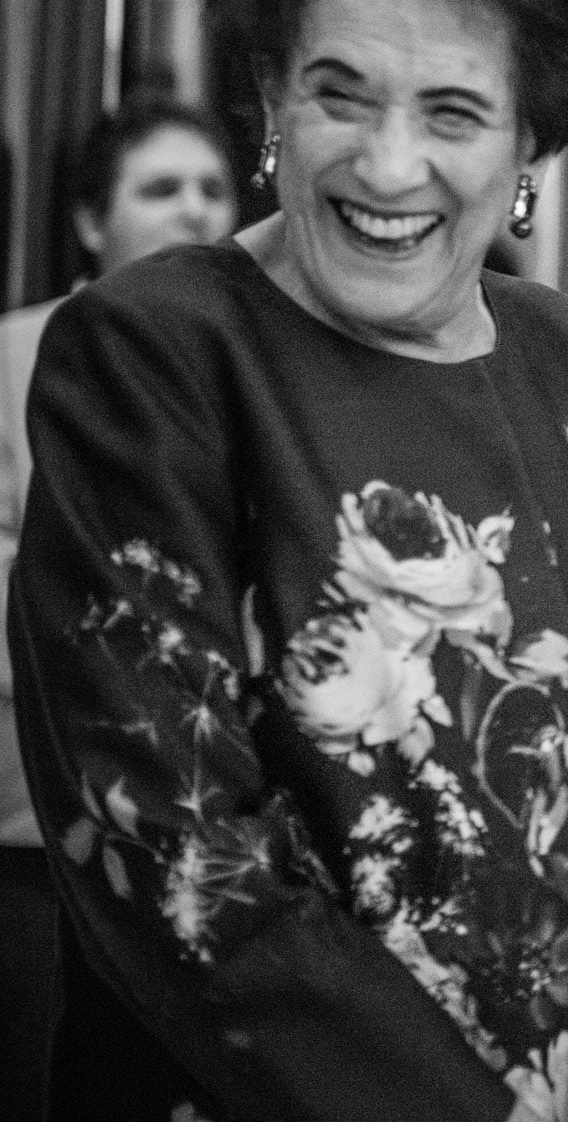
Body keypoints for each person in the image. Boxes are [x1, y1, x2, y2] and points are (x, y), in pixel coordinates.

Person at [4, 0, 568, 1122]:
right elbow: (184, 862)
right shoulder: (151, 355)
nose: (389, 161)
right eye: (340, 92)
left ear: (531, 146)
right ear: (270, 105)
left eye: (454, 110)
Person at [0, 96, 238, 1099]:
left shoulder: (258, 366)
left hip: (223, 844)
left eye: (214, 189)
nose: (193, 209)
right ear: (92, 222)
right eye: (160, 188)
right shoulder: (14, 353)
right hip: (34, 826)